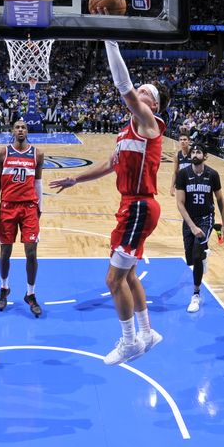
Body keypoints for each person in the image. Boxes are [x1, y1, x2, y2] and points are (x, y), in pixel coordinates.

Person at [49, 39, 166, 365]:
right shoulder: (126, 133)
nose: (140, 93)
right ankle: (147, 332)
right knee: (127, 276)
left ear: (153, 106)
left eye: (147, 93)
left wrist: (110, 42)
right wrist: (76, 178)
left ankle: (129, 341)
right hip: (133, 207)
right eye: (141, 91)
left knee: (113, 280)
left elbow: (124, 87)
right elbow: (110, 164)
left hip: (141, 206)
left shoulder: (149, 124)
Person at [0, 119, 45, 317]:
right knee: (5, 252)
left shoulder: (37, 153)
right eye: (18, 127)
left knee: (31, 252)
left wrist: (40, 208)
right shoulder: (2, 152)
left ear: (28, 131)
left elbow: (38, 182)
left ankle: (30, 293)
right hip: (8, 207)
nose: (21, 130)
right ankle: (4, 287)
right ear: (12, 130)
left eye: (24, 127)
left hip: (29, 207)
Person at [175, 143, 224, 313]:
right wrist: (191, 225)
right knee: (191, 259)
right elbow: (180, 203)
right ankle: (204, 253)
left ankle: (196, 294)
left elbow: (220, 200)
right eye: (193, 151)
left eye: (199, 152)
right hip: (190, 219)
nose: (195, 154)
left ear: (205, 156)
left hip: (206, 218)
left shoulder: (213, 174)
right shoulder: (183, 174)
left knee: (197, 256)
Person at [169, 129, 192, 197]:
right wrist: (172, 186)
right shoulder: (177, 155)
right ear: (178, 141)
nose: (183, 141)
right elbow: (175, 172)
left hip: (192, 183)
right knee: (181, 204)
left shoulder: (194, 153)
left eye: (185, 139)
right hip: (182, 182)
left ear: (189, 141)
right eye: (181, 140)